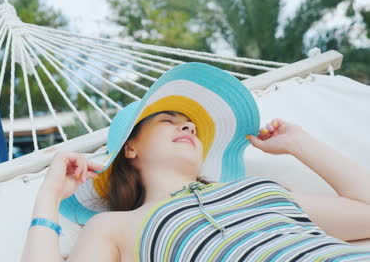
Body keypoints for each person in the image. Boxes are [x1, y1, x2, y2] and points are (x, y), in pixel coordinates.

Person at [21, 63, 370, 261]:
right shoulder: (115, 227)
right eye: (167, 120)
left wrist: (300, 143)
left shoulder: (260, 190)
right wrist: (50, 195)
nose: (188, 125)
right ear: (131, 149)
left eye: (191, 125)